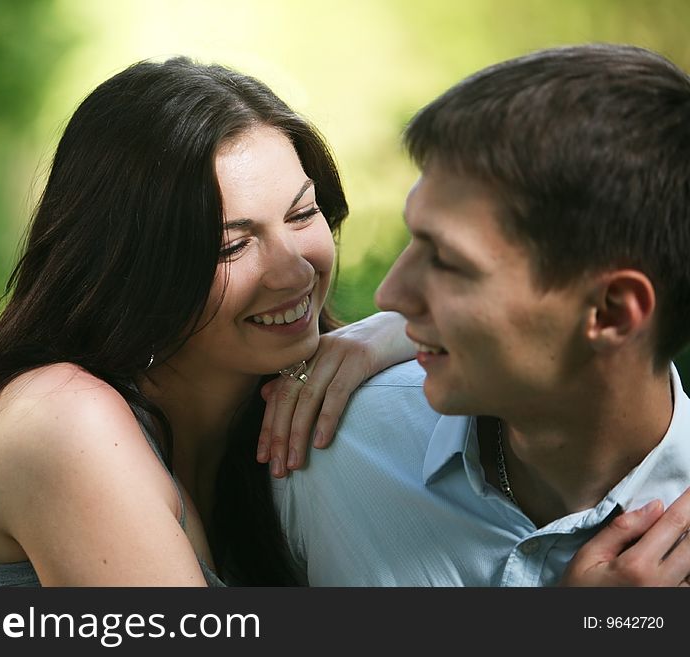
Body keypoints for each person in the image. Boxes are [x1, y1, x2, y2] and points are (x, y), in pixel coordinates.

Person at [0, 56, 417, 587]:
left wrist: (397, 333)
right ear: (132, 269)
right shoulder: (63, 419)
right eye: (232, 245)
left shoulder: (276, 415)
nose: (294, 270)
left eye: (301, 214)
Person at [273, 43, 690, 586]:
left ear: (611, 313)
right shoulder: (326, 453)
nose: (390, 295)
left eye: (447, 260)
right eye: (413, 239)